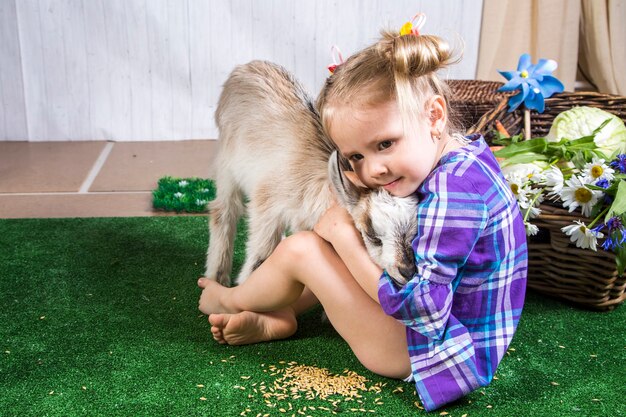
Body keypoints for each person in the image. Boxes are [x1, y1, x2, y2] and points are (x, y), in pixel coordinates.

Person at [198, 15, 528, 411]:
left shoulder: (455, 198)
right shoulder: (463, 158)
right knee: (322, 249)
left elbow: (421, 308)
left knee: (302, 250)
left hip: (430, 353)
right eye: (356, 156)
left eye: (385, 144)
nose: (371, 170)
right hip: (445, 338)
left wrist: (344, 241)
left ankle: (231, 300)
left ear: (435, 116)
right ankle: (279, 317)